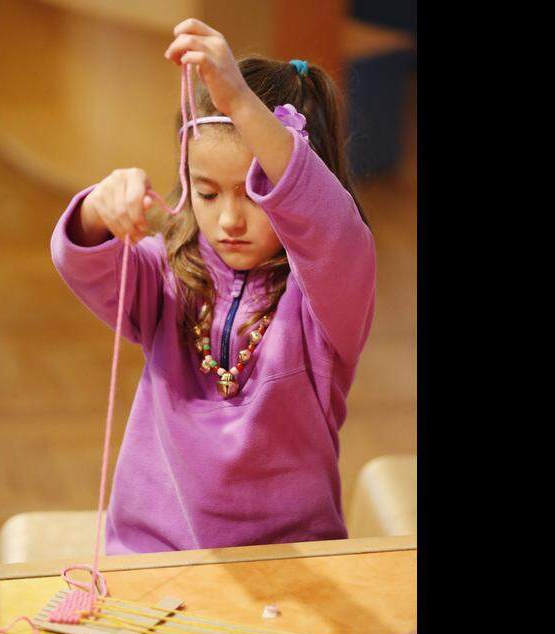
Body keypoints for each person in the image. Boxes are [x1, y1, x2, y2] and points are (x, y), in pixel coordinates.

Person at [50, 18, 376, 553]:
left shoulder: (332, 293)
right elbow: (80, 257)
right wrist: (95, 209)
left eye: (256, 192)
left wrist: (242, 104)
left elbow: (333, 230)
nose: (229, 220)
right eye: (206, 192)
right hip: (150, 554)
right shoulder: (165, 273)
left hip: (291, 559)